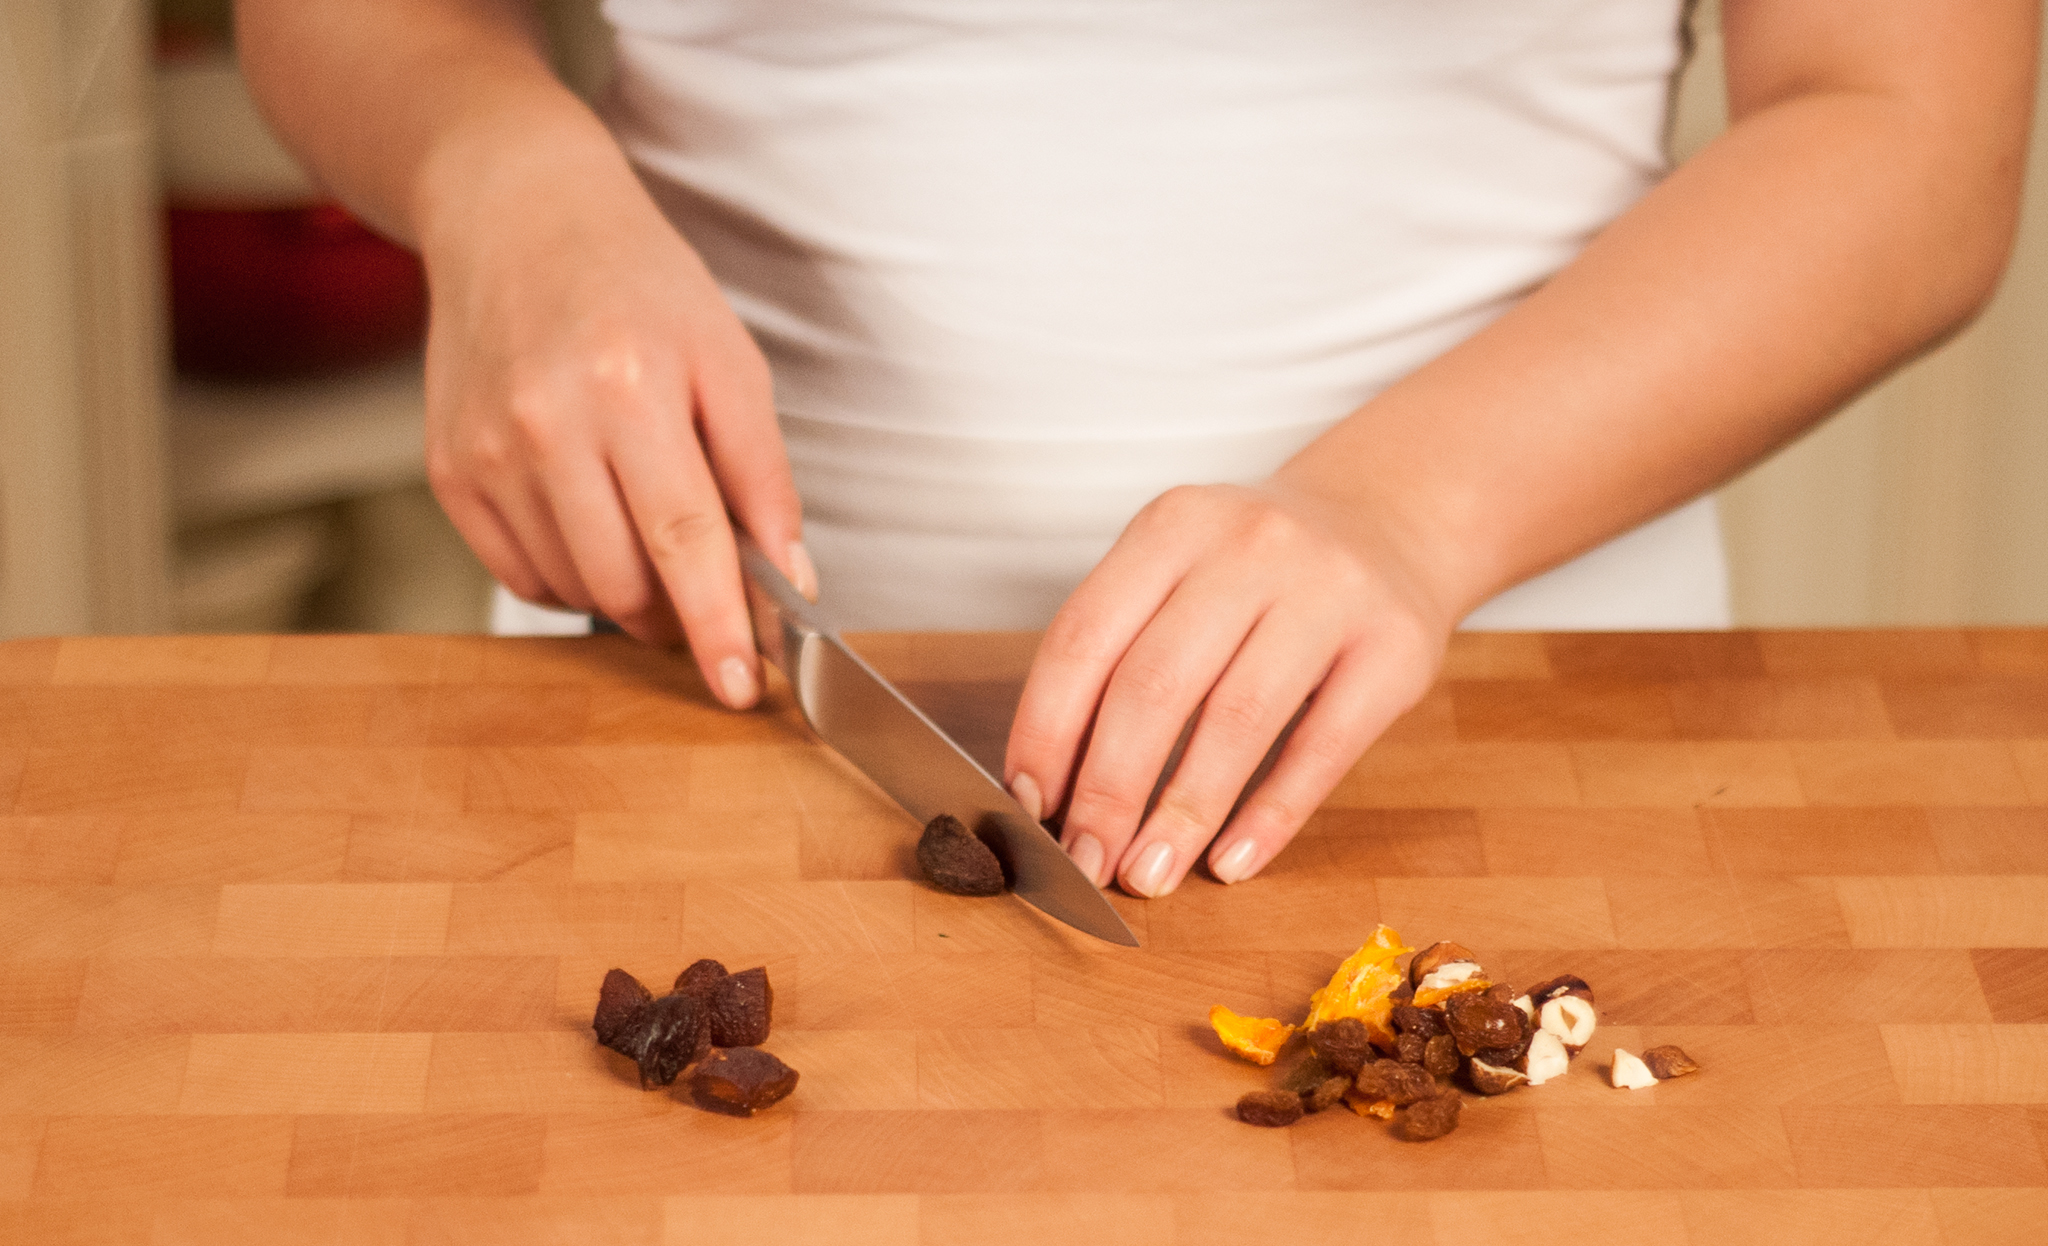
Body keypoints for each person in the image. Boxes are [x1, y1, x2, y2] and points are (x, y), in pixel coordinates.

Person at [238, 0, 2036, 899]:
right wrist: (496, 173)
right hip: (685, 690)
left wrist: (1406, 513)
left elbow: (1908, 128)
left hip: (1507, 731)